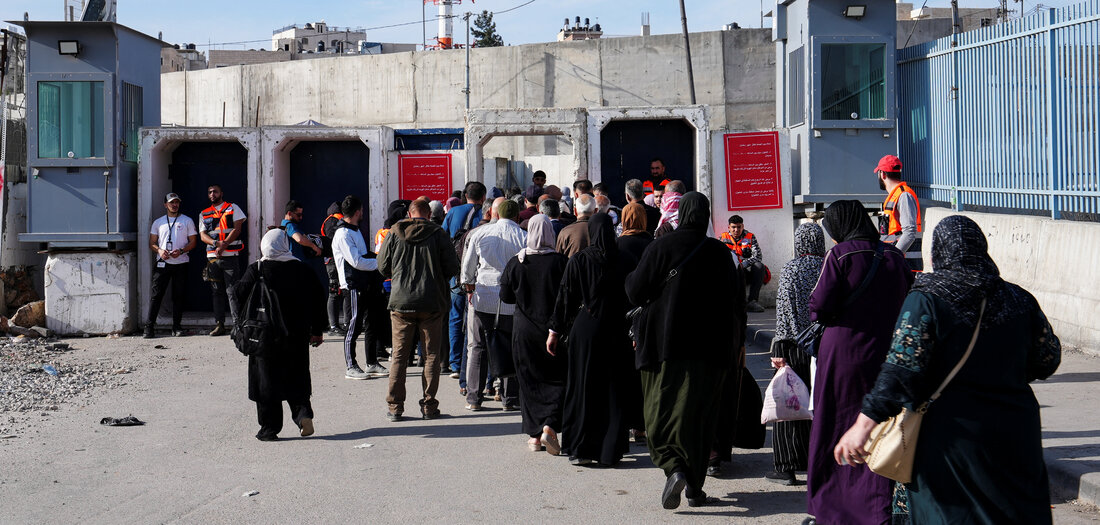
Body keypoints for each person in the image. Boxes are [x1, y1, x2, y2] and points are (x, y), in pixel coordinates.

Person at [835, 215, 1061, 525]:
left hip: (950, 441)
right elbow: (1048, 358)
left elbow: (901, 368)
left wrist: (863, 426)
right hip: (1014, 433)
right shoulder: (1019, 299)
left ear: (938, 251)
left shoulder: (927, 298)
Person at [624, 192, 745, 509]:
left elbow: (635, 291)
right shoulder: (720, 253)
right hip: (712, 351)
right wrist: (738, 344)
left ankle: (673, 467)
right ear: (705, 215)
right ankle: (694, 485)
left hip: (665, 347)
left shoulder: (661, 246)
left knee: (659, 411)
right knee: (699, 416)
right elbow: (737, 304)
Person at [805, 200, 913, 525]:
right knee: (880, 429)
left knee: (834, 424)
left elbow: (818, 307)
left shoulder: (840, 255)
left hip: (843, 355)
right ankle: (876, 508)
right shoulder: (894, 255)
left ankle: (830, 508)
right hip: (887, 353)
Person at [547, 213, 637, 467]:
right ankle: (611, 450)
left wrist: (554, 331)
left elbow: (565, 298)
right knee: (614, 389)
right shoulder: (626, 260)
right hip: (617, 329)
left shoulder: (580, 260)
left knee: (583, 386)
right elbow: (636, 297)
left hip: (586, 328)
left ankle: (582, 447)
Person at [233, 228, 327, 441]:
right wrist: (317, 331)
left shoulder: (256, 268)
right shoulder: (303, 269)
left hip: (264, 335)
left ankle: (269, 428)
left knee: (265, 381)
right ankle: (303, 414)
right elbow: (318, 301)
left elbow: (239, 296)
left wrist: (243, 324)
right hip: (296, 335)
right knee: (297, 376)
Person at [378, 198, 461, 421]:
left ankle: (395, 407)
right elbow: (452, 267)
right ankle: (429, 406)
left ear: (409, 212)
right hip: (432, 302)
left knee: (399, 356)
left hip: (401, 302)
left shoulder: (394, 232)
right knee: (431, 355)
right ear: (428, 214)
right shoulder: (438, 233)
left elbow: (382, 266)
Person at [500, 214, 569, 453]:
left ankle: (534, 436)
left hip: (525, 331)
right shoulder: (561, 262)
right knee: (557, 377)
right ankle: (550, 424)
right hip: (555, 330)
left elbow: (506, 297)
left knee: (528, 381)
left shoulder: (516, 262)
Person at [766, 223, 826, 485]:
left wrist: (778, 349)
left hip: (793, 345)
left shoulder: (791, 269)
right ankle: (819, 463)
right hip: (823, 344)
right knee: (819, 406)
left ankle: (787, 468)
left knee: (789, 405)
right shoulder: (829, 266)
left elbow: (783, 312)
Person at [460, 199, 525, 411]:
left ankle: (474, 398)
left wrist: (468, 287)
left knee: (477, 347)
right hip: (511, 301)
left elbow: (468, 266)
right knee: (510, 347)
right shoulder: (523, 237)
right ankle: (509, 399)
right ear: (517, 216)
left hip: (482, 297)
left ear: (495, 214)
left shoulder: (479, 234)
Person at [331, 195, 386, 380]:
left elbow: (364, 255)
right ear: (357, 212)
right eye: (361, 210)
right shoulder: (343, 234)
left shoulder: (354, 230)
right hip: (353, 285)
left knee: (372, 323)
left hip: (366, 283)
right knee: (353, 326)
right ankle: (351, 365)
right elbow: (356, 261)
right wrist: (380, 263)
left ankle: (371, 363)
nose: (363, 213)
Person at [443, 182, 487, 379]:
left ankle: (455, 362)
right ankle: (473, 365)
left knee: (455, 316)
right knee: (477, 320)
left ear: (465, 196)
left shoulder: (453, 212)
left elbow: (443, 238)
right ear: (483, 197)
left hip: (456, 271)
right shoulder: (485, 212)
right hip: (478, 274)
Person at [145, 193, 198, 338]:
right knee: (156, 295)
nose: (174, 205)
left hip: (181, 263)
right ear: (165, 205)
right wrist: (160, 250)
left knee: (178, 296)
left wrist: (181, 250)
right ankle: (149, 327)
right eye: (171, 202)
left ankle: (176, 327)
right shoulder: (158, 222)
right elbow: (151, 243)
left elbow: (193, 242)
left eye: (177, 202)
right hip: (162, 263)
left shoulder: (187, 220)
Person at [198, 184, 247, 336]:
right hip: (213, 259)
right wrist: (215, 244)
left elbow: (237, 229)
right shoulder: (204, 213)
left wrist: (224, 244)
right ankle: (220, 325)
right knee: (216, 292)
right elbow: (202, 235)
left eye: (215, 191)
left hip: (230, 257)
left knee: (232, 292)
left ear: (221, 193)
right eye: (209, 192)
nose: (212, 194)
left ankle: (237, 325)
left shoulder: (233, 208)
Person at [875, 155, 923, 271]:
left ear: (882, 174)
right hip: (898, 262)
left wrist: (892, 257)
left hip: (903, 265)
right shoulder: (896, 195)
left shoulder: (904, 196)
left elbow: (909, 232)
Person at [720, 215, 767, 313]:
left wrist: (744, 264)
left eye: (739, 227)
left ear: (743, 226)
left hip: (745, 272)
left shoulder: (750, 236)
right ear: (729, 227)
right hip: (731, 272)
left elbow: (758, 256)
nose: (736, 230)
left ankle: (752, 301)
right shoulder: (723, 238)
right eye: (733, 227)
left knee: (759, 266)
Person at [320, 202, 350, 335]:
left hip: (334, 261)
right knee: (334, 292)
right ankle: (334, 326)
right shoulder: (334, 221)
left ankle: (341, 324)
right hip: (334, 261)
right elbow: (334, 240)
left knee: (342, 291)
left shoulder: (332, 220)